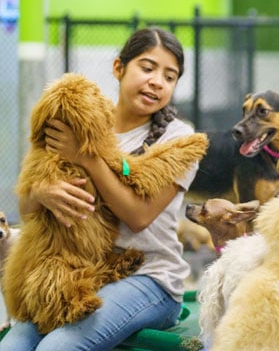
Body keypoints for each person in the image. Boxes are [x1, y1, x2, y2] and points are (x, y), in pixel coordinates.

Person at [1, 27, 198, 350]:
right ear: (118, 68)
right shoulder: (83, 117)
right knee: (13, 345)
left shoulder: (178, 139)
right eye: (147, 68)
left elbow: (138, 216)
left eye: (170, 76)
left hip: (150, 278)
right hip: (77, 274)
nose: (157, 81)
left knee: (59, 347)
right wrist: (41, 193)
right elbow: (25, 208)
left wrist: (87, 158)